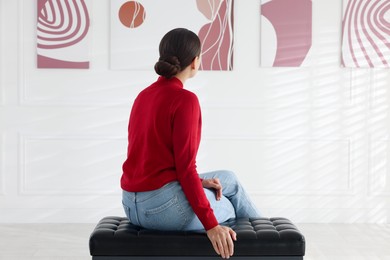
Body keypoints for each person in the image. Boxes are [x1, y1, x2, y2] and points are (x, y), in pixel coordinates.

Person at [121, 28, 261, 259]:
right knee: (228, 203)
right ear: (195, 62)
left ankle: (268, 239)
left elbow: (150, 158)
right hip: (160, 209)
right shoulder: (186, 100)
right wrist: (212, 225)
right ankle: (264, 248)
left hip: (130, 204)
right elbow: (185, 169)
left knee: (229, 179)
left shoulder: (143, 96)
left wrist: (201, 182)